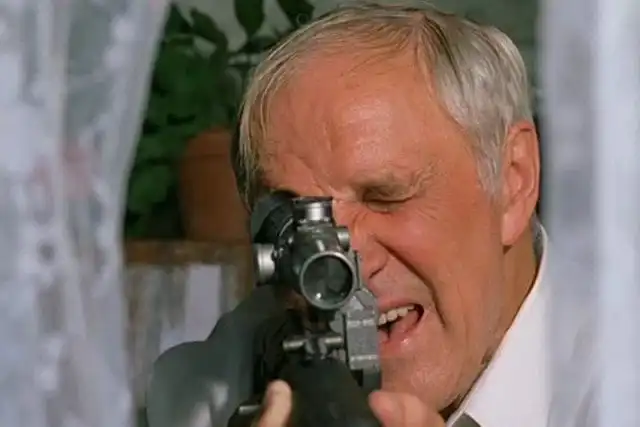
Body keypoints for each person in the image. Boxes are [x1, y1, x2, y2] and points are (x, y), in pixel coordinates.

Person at [146, 2, 596, 427]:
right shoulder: (221, 379)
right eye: (296, 225)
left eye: (385, 198)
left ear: (513, 180)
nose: (345, 257)